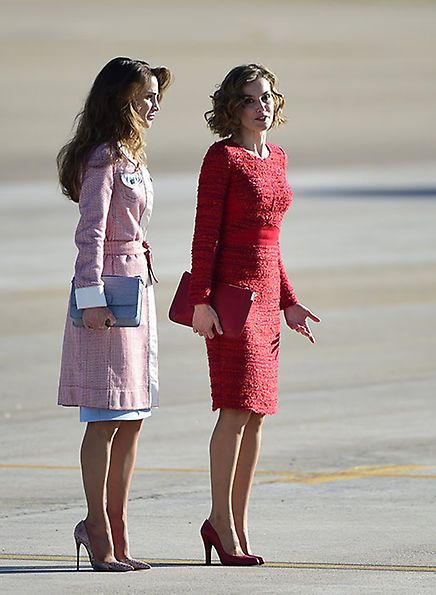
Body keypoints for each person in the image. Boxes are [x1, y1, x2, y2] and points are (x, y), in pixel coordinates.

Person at [189, 64, 320, 566]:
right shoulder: (223, 158)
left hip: (266, 297)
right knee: (235, 409)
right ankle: (219, 521)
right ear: (231, 108)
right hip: (230, 298)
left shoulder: (277, 157)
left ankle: (238, 526)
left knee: (259, 415)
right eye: (249, 99)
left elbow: (273, 242)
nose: (261, 106)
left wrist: (289, 300)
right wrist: (201, 299)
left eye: (266, 97)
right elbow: (206, 236)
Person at [57, 57, 171, 572]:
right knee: (104, 418)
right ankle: (96, 526)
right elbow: (91, 234)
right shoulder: (104, 157)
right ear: (119, 99)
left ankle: (119, 528)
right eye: (144, 96)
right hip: (107, 295)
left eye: (155, 96)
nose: (154, 105)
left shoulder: (131, 154)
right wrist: (91, 300)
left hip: (135, 292)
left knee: (132, 418)